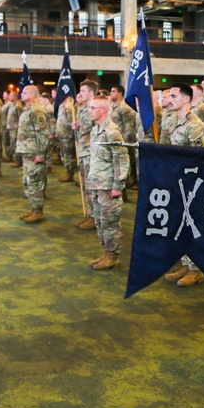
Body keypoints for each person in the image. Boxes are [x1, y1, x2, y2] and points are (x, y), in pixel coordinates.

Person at [159, 83, 204, 286]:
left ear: (186, 99)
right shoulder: (174, 120)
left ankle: (197, 269)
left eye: (173, 96)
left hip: (191, 184)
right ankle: (186, 263)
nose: (169, 99)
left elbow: (203, 158)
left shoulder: (195, 125)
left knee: (192, 226)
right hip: (177, 181)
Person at [86, 94, 128, 270]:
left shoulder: (112, 131)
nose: (89, 111)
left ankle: (113, 255)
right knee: (99, 220)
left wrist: (118, 185)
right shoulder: (96, 129)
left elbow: (122, 159)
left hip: (108, 185)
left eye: (93, 108)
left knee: (110, 221)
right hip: (97, 183)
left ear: (103, 110)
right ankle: (106, 252)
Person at [16, 85, 50, 223]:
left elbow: (42, 133)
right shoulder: (28, 109)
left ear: (32, 94)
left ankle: (38, 211)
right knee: (28, 181)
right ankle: (34, 208)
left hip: (35, 151)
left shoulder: (36, 109)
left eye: (24, 92)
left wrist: (41, 154)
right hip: (28, 150)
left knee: (34, 181)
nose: (21, 94)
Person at [73, 80, 98, 229]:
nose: (80, 93)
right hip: (83, 152)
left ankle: (95, 217)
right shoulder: (83, 109)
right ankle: (90, 214)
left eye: (83, 91)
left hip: (91, 153)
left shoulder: (95, 109)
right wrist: (77, 126)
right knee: (86, 186)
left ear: (91, 93)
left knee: (92, 186)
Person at [109, 85, 139, 188]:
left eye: (113, 91)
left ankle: (130, 182)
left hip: (123, 140)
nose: (111, 93)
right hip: (114, 139)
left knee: (126, 163)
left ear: (120, 93)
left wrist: (126, 142)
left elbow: (129, 127)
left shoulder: (125, 107)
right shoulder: (112, 107)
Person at [56, 91, 78, 183]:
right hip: (62, 134)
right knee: (64, 155)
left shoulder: (68, 107)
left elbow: (71, 121)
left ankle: (70, 173)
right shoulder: (62, 106)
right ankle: (68, 172)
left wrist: (71, 134)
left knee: (69, 155)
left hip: (67, 135)